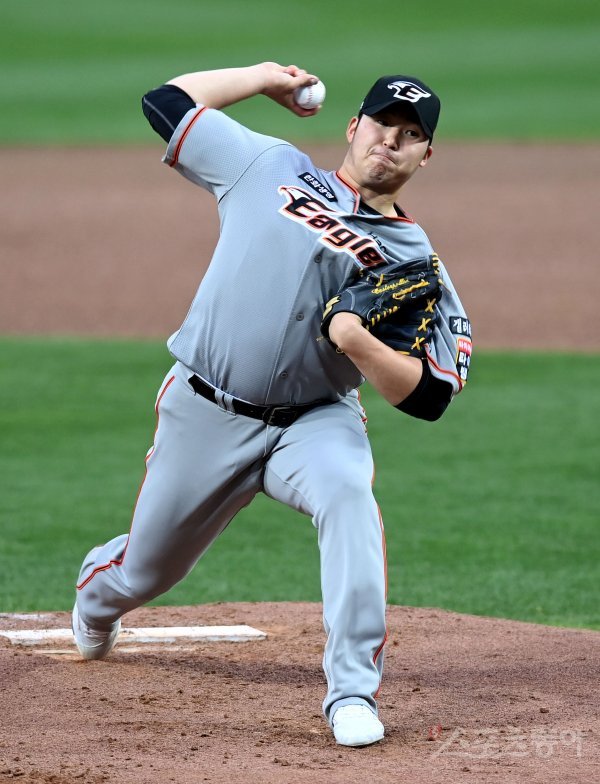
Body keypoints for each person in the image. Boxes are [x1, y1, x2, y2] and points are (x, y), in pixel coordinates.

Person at [72, 62, 471, 747]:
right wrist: (263, 78)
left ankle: (352, 692)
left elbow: (432, 395)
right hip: (206, 412)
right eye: (381, 123)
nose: (390, 140)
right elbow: (165, 102)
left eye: (410, 134)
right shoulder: (269, 167)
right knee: (147, 571)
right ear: (354, 127)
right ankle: (97, 598)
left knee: (348, 495)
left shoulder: (414, 261)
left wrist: (356, 341)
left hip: (315, 421)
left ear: (425, 155)